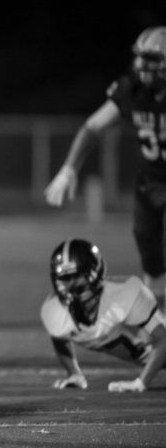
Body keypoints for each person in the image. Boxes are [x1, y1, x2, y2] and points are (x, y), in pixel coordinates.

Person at [45, 26, 166, 314]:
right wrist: (68, 170)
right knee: (152, 260)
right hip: (150, 184)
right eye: (141, 59)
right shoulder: (131, 90)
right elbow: (92, 127)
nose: (142, 67)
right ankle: (157, 325)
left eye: (151, 60)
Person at [41, 238, 166, 392]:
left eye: (77, 276)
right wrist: (74, 374)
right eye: (66, 279)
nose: (72, 284)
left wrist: (140, 383)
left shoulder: (124, 295)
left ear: (95, 272)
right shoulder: (55, 309)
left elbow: (164, 339)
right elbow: (59, 337)